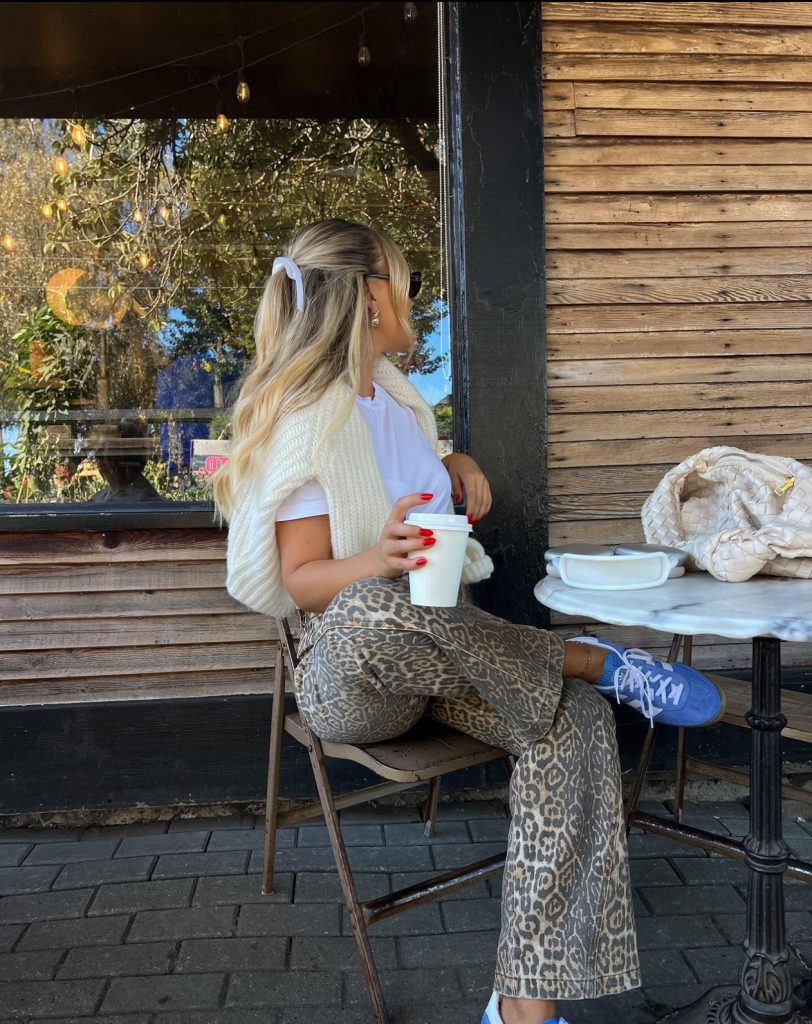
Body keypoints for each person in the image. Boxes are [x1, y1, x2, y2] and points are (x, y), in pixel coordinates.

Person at [214, 219, 726, 1024]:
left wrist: (452, 463)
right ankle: (589, 659)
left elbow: (413, 494)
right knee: (377, 606)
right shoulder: (306, 418)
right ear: (371, 295)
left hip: (452, 657)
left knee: (577, 722)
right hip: (355, 674)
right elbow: (303, 582)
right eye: (408, 281)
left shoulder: (401, 404)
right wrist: (375, 558)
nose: (415, 298)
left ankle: (524, 1009)